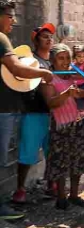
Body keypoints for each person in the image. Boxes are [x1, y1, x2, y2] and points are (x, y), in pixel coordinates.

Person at [0, 0, 53, 228]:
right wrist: (43, 72)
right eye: (10, 15)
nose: (13, 21)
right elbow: (17, 69)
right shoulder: (1, 39)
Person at [43, 44, 84, 210]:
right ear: (52, 60)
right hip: (60, 127)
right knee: (61, 163)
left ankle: (74, 195)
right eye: (61, 58)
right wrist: (67, 94)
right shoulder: (49, 78)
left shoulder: (72, 75)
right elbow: (51, 102)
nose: (65, 61)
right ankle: (61, 197)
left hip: (77, 123)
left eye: (67, 58)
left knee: (77, 161)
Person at [14, 23, 55, 204]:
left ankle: (51, 184)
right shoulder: (30, 61)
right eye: (44, 36)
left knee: (53, 151)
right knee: (27, 152)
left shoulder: (54, 62)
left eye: (50, 36)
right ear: (36, 40)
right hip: (33, 111)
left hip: (53, 112)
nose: (49, 39)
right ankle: (20, 189)